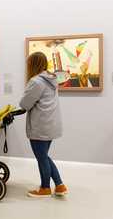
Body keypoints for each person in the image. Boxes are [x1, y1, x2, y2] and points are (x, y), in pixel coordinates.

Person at [20, 52, 68, 198]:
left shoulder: (36, 81)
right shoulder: (51, 79)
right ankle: (59, 185)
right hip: (50, 124)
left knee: (42, 157)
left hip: (40, 125)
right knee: (44, 156)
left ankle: (45, 188)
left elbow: (25, 104)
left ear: (32, 64)